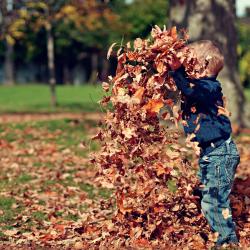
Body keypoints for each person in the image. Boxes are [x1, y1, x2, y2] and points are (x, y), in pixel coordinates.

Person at [169, 40, 241, 247]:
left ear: (200, 66)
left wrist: (177, 71)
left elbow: (190, 90)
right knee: (204, 191)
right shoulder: (201, 88)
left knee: (214, 199)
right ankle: (210, 224)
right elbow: (186, 88)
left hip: (220, 153)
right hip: (211, 154)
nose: (184, 68)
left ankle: (227, 239)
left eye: (188, 63)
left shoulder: (208, 87)